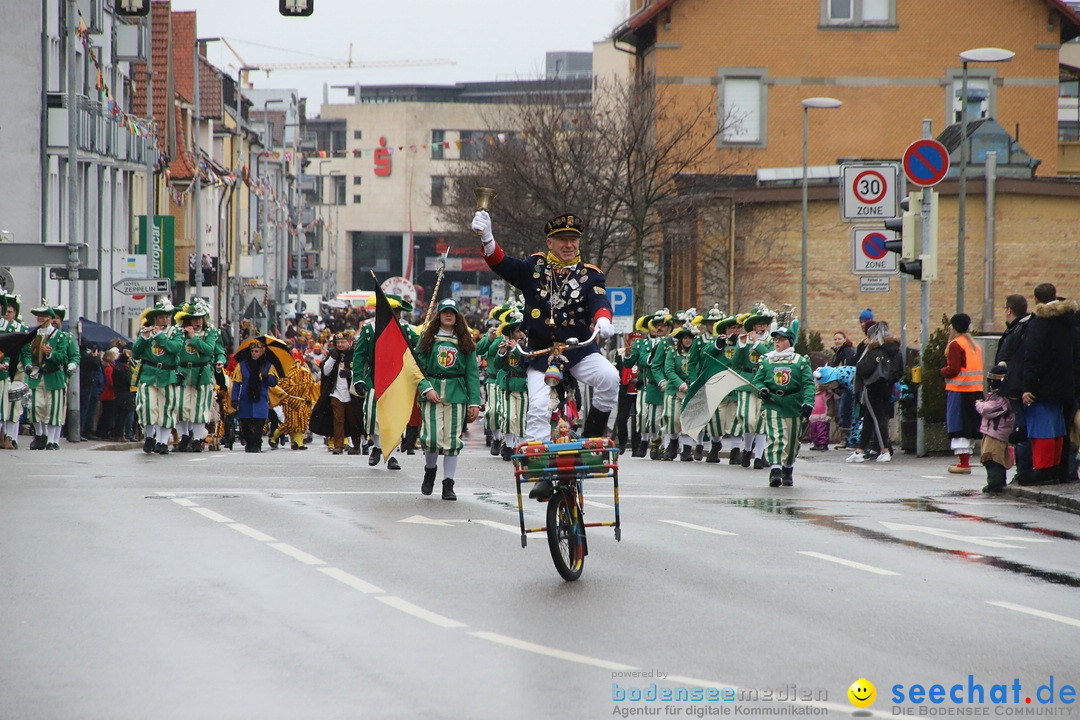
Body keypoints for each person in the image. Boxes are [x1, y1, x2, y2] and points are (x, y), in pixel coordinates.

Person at [472, 210, 619, 463]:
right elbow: (503, 263)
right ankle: (539, 466)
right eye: (562, 240)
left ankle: (594, 435)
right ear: (550, 243)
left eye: (573, 240)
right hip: (541, 354)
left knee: (610, 378)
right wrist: (487, 239)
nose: (569, 245)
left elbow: (599, 299)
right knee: (539, 407)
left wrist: (603, 318)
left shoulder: (590, 274)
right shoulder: (534, 268)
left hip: (578, 350)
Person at [415, 298, 481, 501]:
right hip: (432, 392)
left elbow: (472, 372)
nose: (448, 315)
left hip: (456, 393)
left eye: (452, 312)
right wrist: (426, 389)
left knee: (452, 441)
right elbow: (416, 368)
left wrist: (474, 402)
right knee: (432, 439)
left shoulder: (465, 339)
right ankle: (430, 470)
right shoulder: (428, 337)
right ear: (439, 314)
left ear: (457, 315)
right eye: (445, 312)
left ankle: (448, 484)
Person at [1020, 283, 1077, 485]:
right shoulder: (1070, 319)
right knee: (1058, 429)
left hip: (1043, 387)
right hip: (1067, 385)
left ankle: (1043, 469)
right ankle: (1058, 468)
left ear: (1036, 300)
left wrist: (1028, 387)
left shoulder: (1040, 321)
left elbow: (1033, 357)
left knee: (1042, 428)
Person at [754, 327, 815, 487]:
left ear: (789, 341)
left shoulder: (800, 361)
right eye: (775, 339)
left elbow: (808, 383)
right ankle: (775, 469)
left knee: (792, 441)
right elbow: (758, 381)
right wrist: (763, 390)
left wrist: (808, 403)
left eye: (781, 339)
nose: (777, 342)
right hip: (772, 404)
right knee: (777, 436)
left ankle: (787, 468)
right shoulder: (766, 360)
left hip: (793, 403)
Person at [173, 300, 226, 452]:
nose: (197, 321)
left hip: (202, 374)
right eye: (195, 318)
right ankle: (184, 436)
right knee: (180, 406)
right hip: (183, 373)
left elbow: (211, 350)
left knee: (200, 408)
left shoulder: (210, 333)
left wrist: (220, 360)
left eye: (200, 318)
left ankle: (197, 440)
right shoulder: (178, 332)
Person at [132, 298, 183, 455]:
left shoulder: (175, 332)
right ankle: (149, 436)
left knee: (167, 409)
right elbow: (136, 352)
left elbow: (175, 349)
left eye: (167, 316)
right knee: (147, 406)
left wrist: (159, 336)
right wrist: (145, 338)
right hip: (149, 374)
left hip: (168, 375)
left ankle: (162, 442)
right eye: (161, 317)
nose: (165, 319)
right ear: (155, 318)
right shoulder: (147, 330)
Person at [848, 320, 902, 463]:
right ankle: (860, 451)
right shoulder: (896, 350)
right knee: (870, 419)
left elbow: (863, 368)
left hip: (873, 387)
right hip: (888, 387)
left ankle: (884, 450)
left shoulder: (875, 350)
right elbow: (899, 371)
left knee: (878, 419)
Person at [21, 304, 73, 450]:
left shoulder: (60, 336)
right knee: (35, 407)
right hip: (36, 375)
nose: (40, 319)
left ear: (50, 318)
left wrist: (50, 354)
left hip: (54, 376)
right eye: (38, 316)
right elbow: (25, 353)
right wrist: (27, 366)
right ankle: (39, 435)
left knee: (53, 409)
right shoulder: (32, 335)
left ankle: (53, 440)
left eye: (43, 316)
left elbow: (63, 356)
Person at [994, 293, 1032, 484]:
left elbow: (1011, 359)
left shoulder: (1019, 329)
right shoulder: (1023, 327)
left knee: (1021, 429)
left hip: (1017, 387)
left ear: (1009, 310)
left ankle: (1023, 471)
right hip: (1018, 386)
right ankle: (1023, 470)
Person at [941, 313, 984, 474]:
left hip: (960, 390)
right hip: (976, 391)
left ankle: (964, 463)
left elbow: (953, 369)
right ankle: (965, 462)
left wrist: (941, 372)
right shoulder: (975, 345)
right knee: (970, 426)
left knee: (959, 426)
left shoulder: (955, 344)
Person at [490, 310, 528, 461]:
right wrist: (502, 351)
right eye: (517, 332)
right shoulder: (506, 345)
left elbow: (526, 363)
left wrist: (516, 350)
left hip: (523, 386)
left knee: (520, 419)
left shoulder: (527, 346)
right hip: (507, 386)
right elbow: (498, 365)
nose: (520, 334)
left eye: (521, 331)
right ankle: (509, 446)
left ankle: (521, 447)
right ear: (511, 334)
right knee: (508, 416)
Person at [230, 338, 279, 453]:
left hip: (261, 399)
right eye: (252, 351)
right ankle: (249, 442)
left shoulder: (268, 365)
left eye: (257, 351)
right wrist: (234, 399)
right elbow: (236, 383)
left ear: (262, 352)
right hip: (246, 398)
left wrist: (266, 376)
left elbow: (274, 383)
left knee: (259, 425)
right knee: (245, 425)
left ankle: (256, 443)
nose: (254, 353)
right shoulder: (242, 365)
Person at [977, 363, 1015, 494]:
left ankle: (995, 483)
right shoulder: (999, 396)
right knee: (994, 457)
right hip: (993, 431)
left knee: (992, 457)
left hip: (997, 432)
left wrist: (979, 404)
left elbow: (986, 410)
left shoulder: (1002, 399)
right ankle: (997, 482)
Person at [662, 323, 698, 461]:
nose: (687, 340)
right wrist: (681, 384)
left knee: (689, 419)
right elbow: (669, 370)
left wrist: (695, 383)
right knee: (673, 418)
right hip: (675, 389)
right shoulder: (672, 352)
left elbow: (699, 368)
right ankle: (673, 441)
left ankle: (687, 450)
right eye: (685, 338)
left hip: (692, 390)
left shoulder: (697, 352)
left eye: (690, 338)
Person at [316, 332, 356, 455]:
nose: (340, 345)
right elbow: (326, 371)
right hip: (336, 393)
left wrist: (350, 374)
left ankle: (356, 444)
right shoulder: (333, 355)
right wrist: (333, 357)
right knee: (338, 420)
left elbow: (361, 370)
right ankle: (338, 445)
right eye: (338, 343)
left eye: (342, 342)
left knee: (353, 420)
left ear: (348, 342)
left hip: (351, 393)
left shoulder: (354, 354)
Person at [0, 293, 29, 448]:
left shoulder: (17, 329)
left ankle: (11, 436)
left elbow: (24, 353)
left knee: (12, 407)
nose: (7, 314)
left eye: (9, 311)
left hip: (13, 370)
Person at [829, 330, 858, 442]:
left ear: (845, 339)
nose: (837, 341)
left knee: (845, 412)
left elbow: (847, 369)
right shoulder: (838, 352)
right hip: (840, 388)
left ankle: (847, 439)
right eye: (835, 339)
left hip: (847, 387)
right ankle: (845, 439)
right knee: (841, 413)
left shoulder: (848, 352)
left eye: (839, 339)